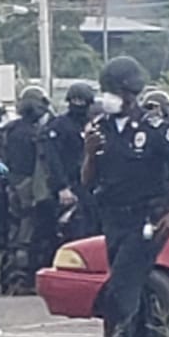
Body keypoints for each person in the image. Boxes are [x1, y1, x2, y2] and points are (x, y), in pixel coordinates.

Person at [82, 57, 169, 337]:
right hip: (114, 220)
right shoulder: (99, 128)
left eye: (115, 91)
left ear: (130, 93)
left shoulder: (154, 128)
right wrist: (89, 154)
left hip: (148, 222)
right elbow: (86, 181)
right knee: (140, 296)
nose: (110, 98)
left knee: (118, 295)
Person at [1, 85, 56, 294]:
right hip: (28, 187)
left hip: (12, 185)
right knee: (27, 234)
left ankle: (11, 280)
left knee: (13, 233)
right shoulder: (35, 134)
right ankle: (21, 281)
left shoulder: (10, 130)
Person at [44, 82, 97, 242]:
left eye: (82, 101)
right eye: (75, 101)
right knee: (72, 231)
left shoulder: (96, 125)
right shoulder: (59, 126)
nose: (78, 105)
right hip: (69, 186)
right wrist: (62, 187)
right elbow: (53, 159)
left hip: (92, 187)